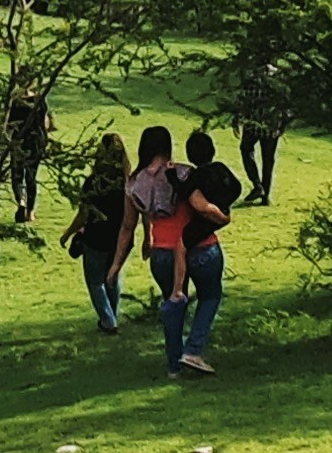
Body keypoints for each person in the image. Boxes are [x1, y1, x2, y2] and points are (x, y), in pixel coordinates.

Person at [165, 124, 242, 377]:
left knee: (182, 245)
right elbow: (237, 187)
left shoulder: (196, 177)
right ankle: (193, 348)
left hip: (205, 222)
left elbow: (194, 200)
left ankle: (178, 289)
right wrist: (226, 209)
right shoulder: (221, 169)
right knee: (212, 295)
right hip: (212, 234)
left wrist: (172, 176)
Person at [121, 124, 192, 377]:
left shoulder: (134, 182)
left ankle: (174, 360)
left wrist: (116, 265)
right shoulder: (182, 173)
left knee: (171, 300)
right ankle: (191, 350)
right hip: (185, 247)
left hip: (160, 250)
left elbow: (128, 225)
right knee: (191, 297)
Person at [57, 127, 134, 332]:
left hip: (97, 238)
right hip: (121, 238)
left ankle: (108, 320)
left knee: (95, 281)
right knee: (113, 277)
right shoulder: (128, 183)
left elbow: (84, 213)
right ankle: (112, 315)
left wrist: (68, 233)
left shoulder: (93, 183)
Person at [0, 78, 52, 224]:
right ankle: (30, 212)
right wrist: (44, 142)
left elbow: (8, 124)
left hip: (18, 141)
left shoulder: (14, 101)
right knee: (31, 176)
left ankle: (21, 202)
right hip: (34, 142)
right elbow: (44, 123)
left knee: (17, 175)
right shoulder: (38, 100)